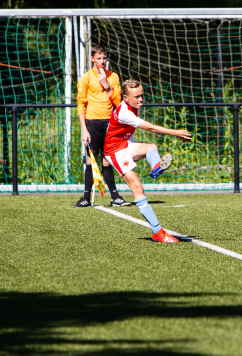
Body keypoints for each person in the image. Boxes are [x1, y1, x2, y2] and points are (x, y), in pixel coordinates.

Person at [104, 79, 192, 243]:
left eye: (142, 95)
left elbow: (113, 97)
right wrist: (176, 133)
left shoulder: (133, 105)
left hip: (124, 144)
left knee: (151, 146)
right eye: (136, 96)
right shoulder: (125, 112)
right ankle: (157, 232)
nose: (141, 99)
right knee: (138, 189)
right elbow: (151, 128)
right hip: (115, 151)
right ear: (126, 97)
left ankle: (156, 167)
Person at [73, 44, 131, 208]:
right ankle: (85, 197)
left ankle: (115, 197)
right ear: (92, 58)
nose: (102, 61)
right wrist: (84, 129)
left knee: (108, 161)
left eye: (104, 58)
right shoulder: (85, 78)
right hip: (92, 123)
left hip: (109, 123)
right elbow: (81, 104)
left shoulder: (113, 77)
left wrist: (106, 85)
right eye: (99, 58)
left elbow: (118, 102)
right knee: (92, 160)